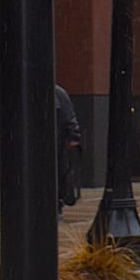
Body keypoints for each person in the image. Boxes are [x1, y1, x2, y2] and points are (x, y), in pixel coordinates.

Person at [56, 84, 83, 215]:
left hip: (58, 145)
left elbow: (70, 118)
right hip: (54, 143)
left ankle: (58, 202)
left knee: (60, 174)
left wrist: (73, 137)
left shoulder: (58, 94)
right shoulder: (58, 93)